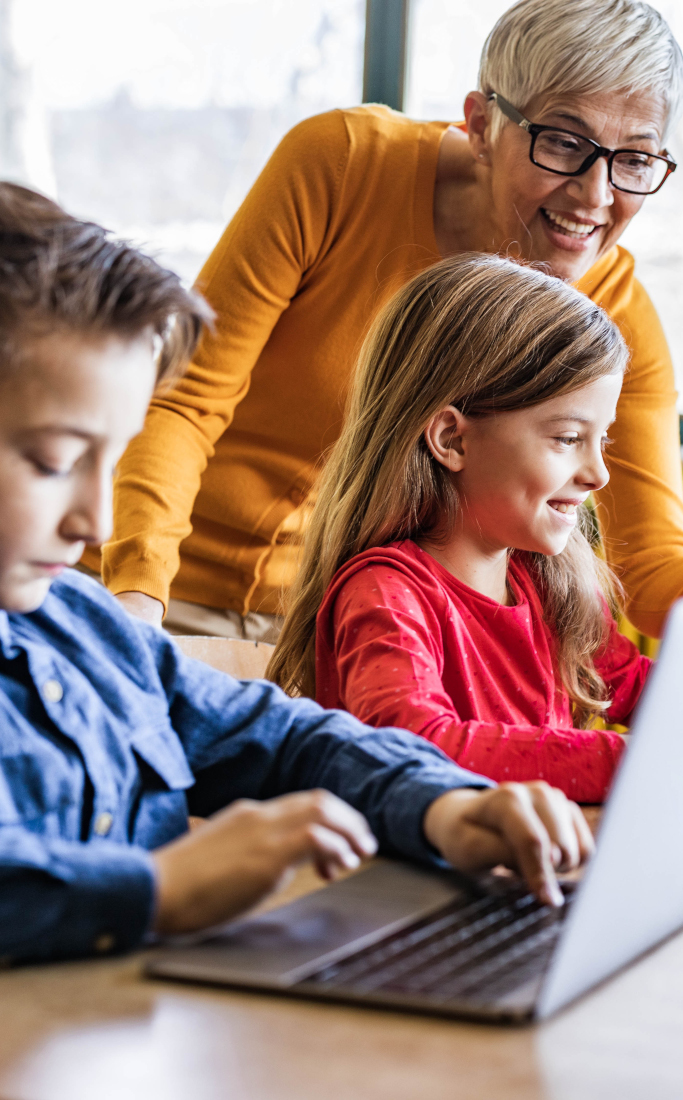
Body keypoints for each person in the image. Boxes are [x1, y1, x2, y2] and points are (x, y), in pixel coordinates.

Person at [86, 0, 683, 644]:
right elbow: (185, 401)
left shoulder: (617, 317)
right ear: (482, 124)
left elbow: (651, 568)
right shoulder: (341, 165)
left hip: (340, 637)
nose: (596, 198)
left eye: (634, 158)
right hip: (154, 593)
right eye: (562, 143)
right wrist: (136, 602)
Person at [0, 184, 593, 966]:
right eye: (55, 461)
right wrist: (157, 888)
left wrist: (444, 806)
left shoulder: (79, 623)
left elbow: (280, 738)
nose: (97, 524)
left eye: (112, 461)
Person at [268, 255, 683, 802]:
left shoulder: (539, 580)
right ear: (450, 437)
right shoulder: (387, 594)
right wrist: (633, 762)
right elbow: (412, 742)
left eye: (602, 441)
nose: (597, 475)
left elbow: (639, 683)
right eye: (566, 438)